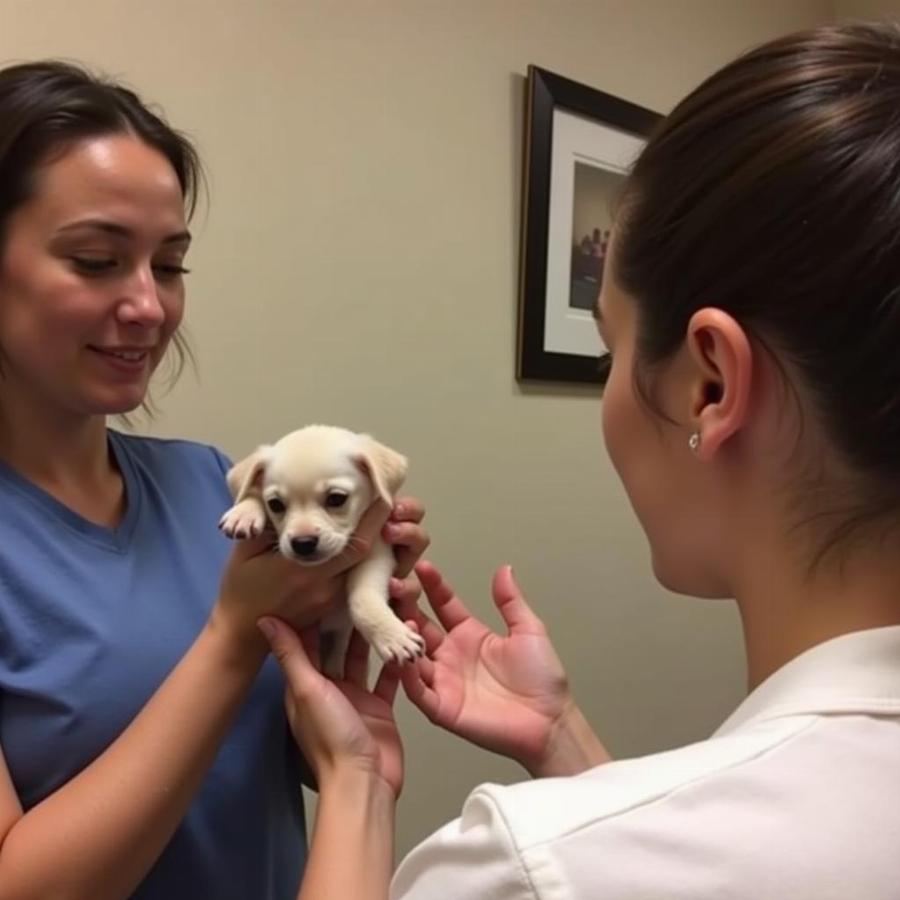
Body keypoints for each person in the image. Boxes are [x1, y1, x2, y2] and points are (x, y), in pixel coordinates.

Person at [258, 21, 900, 900]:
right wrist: (564, 742)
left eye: (609, 352)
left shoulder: (520, 869)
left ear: (710, 385)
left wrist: (356, 779)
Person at [0, 61, 430, 900]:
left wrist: (344, 675)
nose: (149, 307)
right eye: (95, 260)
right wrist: (232, 639)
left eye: (170, 266)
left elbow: (246, 768)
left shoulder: (211, 486)